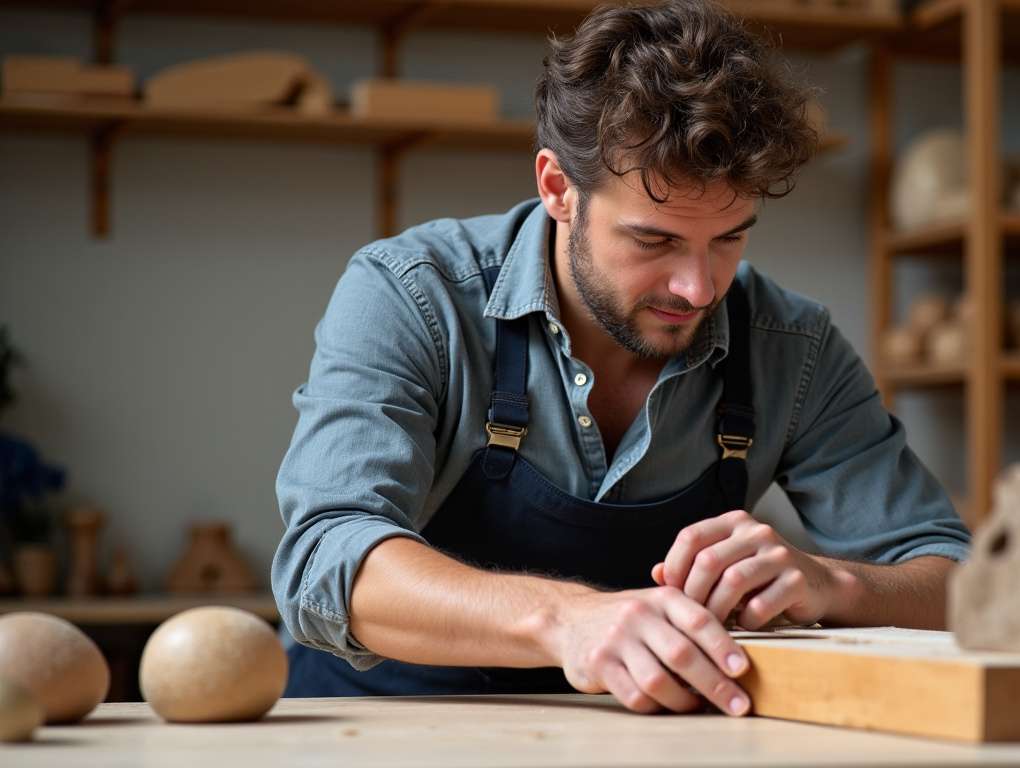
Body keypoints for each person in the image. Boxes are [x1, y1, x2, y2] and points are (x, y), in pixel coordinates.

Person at [273, 0, 970, 717]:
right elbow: (324, 559)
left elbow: (962, 584)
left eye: (729, 238)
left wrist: (833, 585)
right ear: (557, 190)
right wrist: (568, 621)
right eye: (655, 240)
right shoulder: (413, 295)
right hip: (382, 729)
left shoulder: (790, 344)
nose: (699, 288)